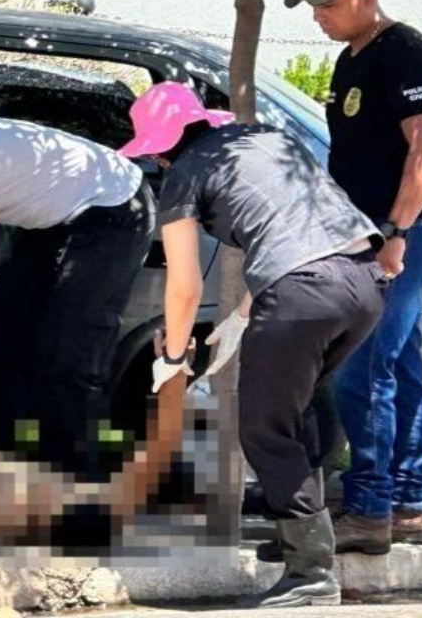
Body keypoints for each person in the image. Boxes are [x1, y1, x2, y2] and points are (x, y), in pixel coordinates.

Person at [130, 82, 386, 608]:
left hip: (302, 292)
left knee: (264, 427)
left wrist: (174, 358)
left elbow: (184, 285)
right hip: (366, 279)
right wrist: (243, 315)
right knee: (305, 403)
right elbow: (300, 225)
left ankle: (311, 572)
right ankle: (291, 532)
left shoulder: (182, 174)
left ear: (157, 148)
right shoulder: (268, 139)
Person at [286, 0, 422, 553]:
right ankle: (411, 503)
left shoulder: (406, 52)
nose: (319, 17)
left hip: (410, 230)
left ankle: (369, 511)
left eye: (328, 5)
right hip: (373, 230)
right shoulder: (350, 60)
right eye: (313, 6)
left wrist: (394, 232)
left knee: (361, 366)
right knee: (397, 361)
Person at [0, 101, 155, 480]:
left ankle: (80, 499)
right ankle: (3, 469)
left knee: (67, 353)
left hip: (114, 203)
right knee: (6, 330)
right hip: (57, 214)